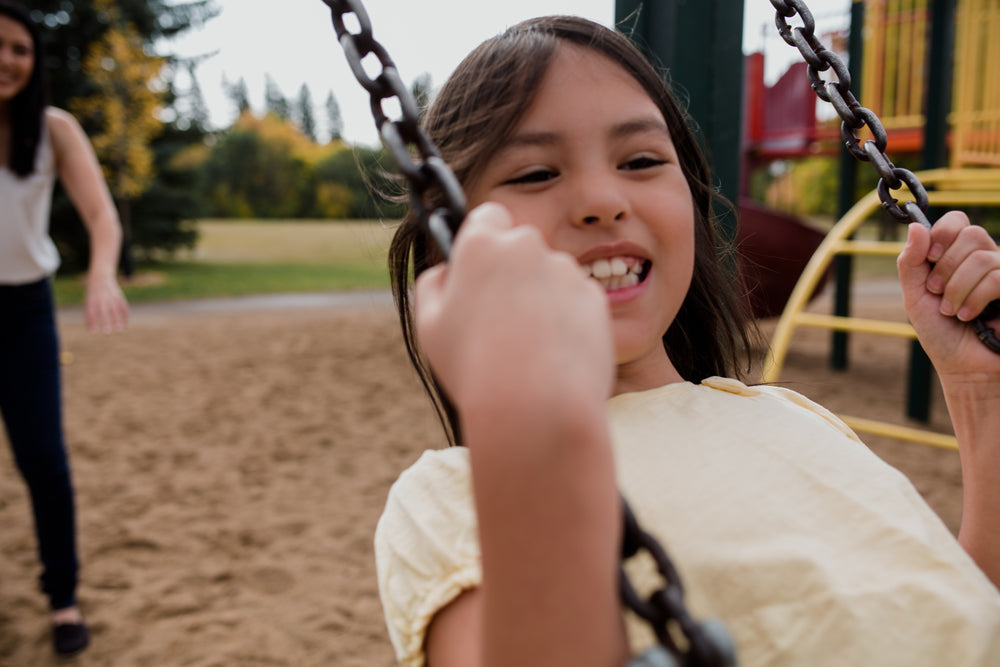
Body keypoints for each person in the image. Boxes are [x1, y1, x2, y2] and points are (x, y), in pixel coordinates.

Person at [372, 15, 1000, 667]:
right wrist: (529, 429)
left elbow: (958, 612)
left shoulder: (791, 415)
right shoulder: (453, 496)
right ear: (452, 241)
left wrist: (983, 395)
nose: (600, 199)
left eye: (641, 160)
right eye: (534, 174)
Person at [0, 0, 128, 656]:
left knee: (44, 462)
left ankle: (63, 599)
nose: (6, 59)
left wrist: (101, 272)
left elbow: (101, 216)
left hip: (24, 313)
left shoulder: (53, 130)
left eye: (19, 48)